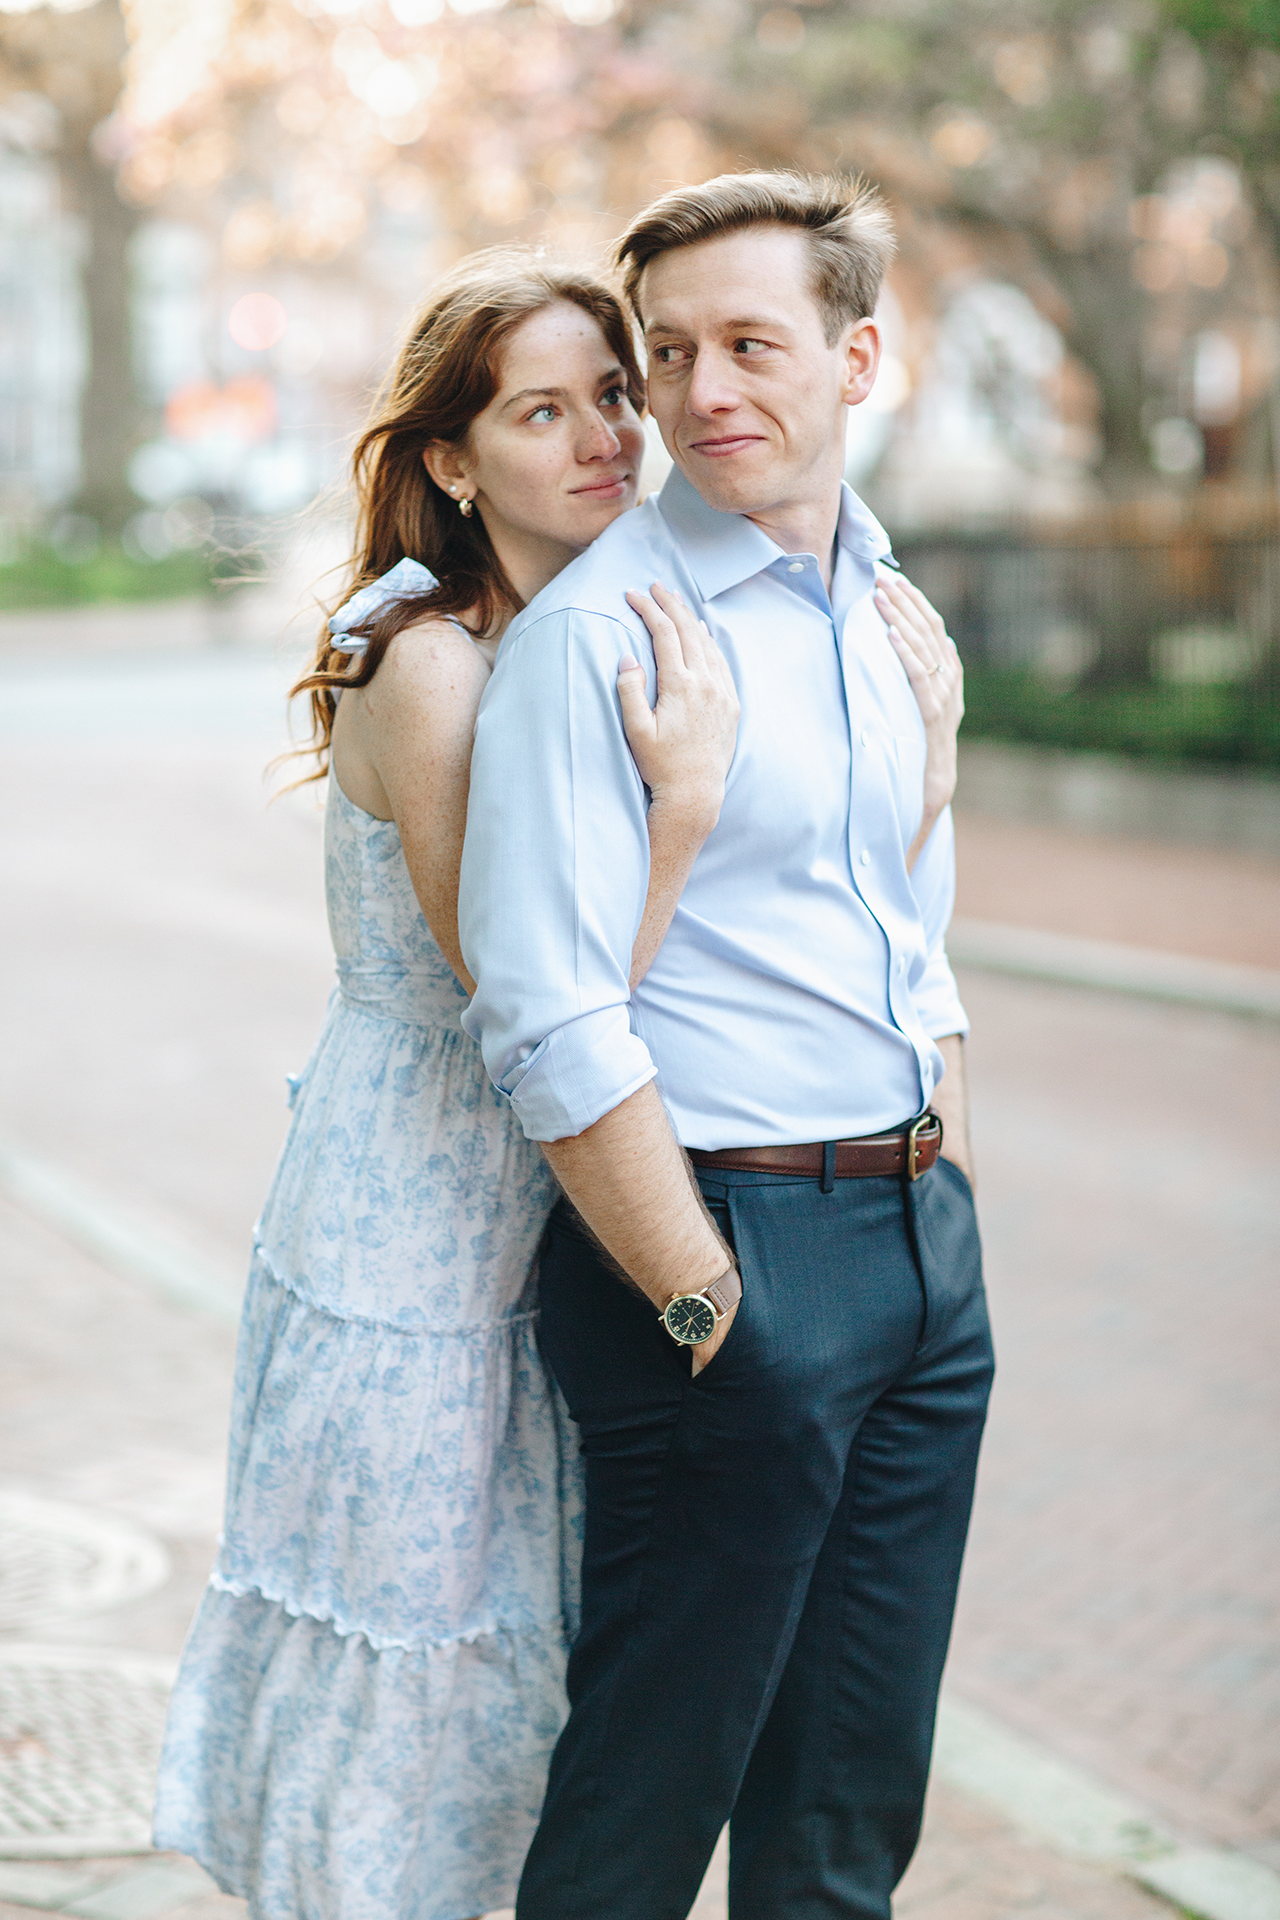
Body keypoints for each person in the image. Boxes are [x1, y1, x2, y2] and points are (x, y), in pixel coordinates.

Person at [152, 251, 740, 1920]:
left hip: (521, 1213)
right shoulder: (437, 664)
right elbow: (525, 994)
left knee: (501, 1637)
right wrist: (683, 814)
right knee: (401, 1636)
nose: (605, 437)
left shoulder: (563, 634)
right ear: (451, 461)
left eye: (613, 394)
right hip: (413, 1224)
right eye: (541, 412)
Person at [459, 172, 991, 1920]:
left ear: (858, 361)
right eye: (670, 353)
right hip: (723, 1256)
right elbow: (547, 1015)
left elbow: (905, 926)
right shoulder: (600, 637)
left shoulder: (882, 601)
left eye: (751, 345)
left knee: (845, 1817)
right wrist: (707, 1309)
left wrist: (945, 1187)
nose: (701, 394)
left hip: (918, 1256)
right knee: (639, 1820)